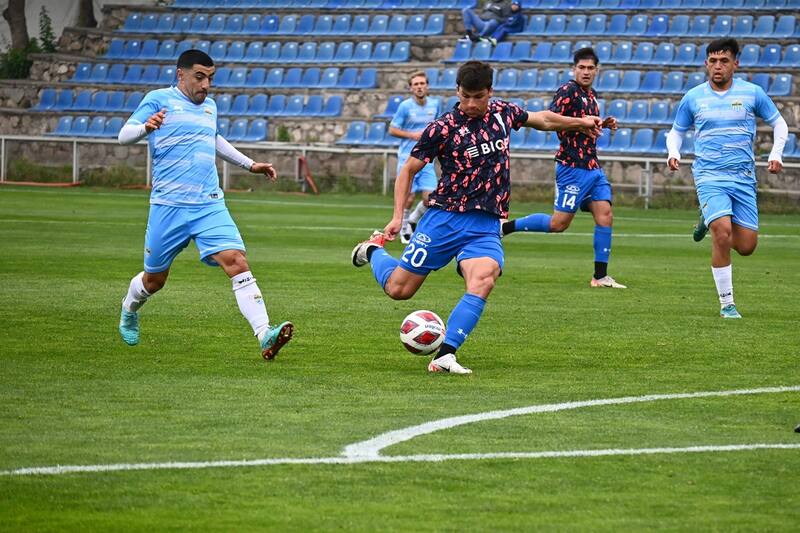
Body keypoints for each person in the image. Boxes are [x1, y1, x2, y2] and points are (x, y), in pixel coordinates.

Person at [351, 61, 601, 374]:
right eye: (466, 96)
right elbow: (408, 171)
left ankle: (445, 355)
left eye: (478, 97)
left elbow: (544, 119)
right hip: (443, 219)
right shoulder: (442, 128)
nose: (471, 103)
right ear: (457, 91)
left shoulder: (502, 112)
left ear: (489, 93)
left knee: (483, 279)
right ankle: (372, 250)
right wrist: (396, 217)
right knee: (399, 290)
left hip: (484, 224)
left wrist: (581, 123)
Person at [116, 49, 294, 359]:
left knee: (237, 261)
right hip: (168, 206)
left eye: (210, 78)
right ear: (180, 74)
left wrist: (250, 164)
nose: (206, 85)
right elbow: (123, 135)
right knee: (154, 280)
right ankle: (129, 308)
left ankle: (265, 334)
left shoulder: (209, 107)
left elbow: (213, 139)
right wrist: (146, 127)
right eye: (200, 77)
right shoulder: (158, 99)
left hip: (208, 204)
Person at [666, 38, 787, 319]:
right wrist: (674, 151)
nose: (717, 66)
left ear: (736, 63)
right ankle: (727, 304)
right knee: (722, 232)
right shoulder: (694, 97)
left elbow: (779, 123)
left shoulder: (752, 93)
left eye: (723, 61)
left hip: (743, 178)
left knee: (746, 246)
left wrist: (776, 153)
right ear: (706, 64)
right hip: (709, 175)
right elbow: (676, 131)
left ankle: (706, 219)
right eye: (712, 61)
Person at [502, 47, 626, 289]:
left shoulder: (592, 96)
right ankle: (507, 227)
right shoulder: (567, 91)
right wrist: (581, 124)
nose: (586, 72)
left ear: (597, 70)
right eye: (582, 67)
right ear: (574, 69)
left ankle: (600, 277)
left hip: (593, 166)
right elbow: (551, 121)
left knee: (605, 216)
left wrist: (603, 122)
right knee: (558, 224)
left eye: (591, 68)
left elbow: (587, 125)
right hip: (572, 167)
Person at [388, 71, 442, 244]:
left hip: (426, 159)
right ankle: (404, 229)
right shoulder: (405, 106)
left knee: (431, 198)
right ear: (411, 88)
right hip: (407, 157)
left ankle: (412, 219)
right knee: (409, 197)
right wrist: (412, 135)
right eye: (416, 84)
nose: (419, 87)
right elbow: (392, 129)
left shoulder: (435, 104)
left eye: (422, 83)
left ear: (427, 86)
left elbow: (439, 126)